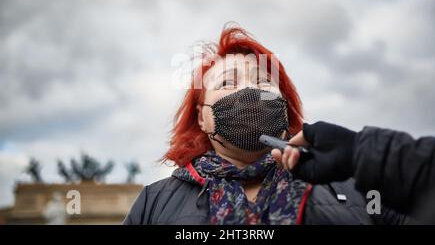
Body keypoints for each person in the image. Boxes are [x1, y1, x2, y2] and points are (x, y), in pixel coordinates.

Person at [124, 26, 407, 225]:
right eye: (227, 83)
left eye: (262, 81)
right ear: (201, 117)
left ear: (285, 104)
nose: (249, 90)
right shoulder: (154, 202)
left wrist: (370, 158)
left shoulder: (353, 186)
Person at [272, 121, 435, 223]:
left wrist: (356, 152)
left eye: (262, 81)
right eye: (241, 82)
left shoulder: (361, 182)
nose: (250, 90)